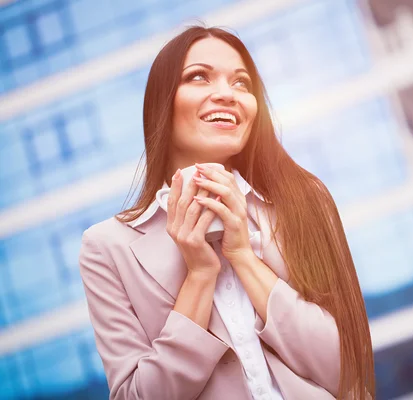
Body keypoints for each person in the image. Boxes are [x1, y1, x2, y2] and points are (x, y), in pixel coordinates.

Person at [79, 26, 375, 400]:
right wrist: (200, 275)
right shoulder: (107, 247)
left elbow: (349, 368)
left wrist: (243, 257)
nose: (226, 94)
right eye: (198, 76)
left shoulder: (304, 202)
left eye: (242, 83)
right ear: (162, 103)